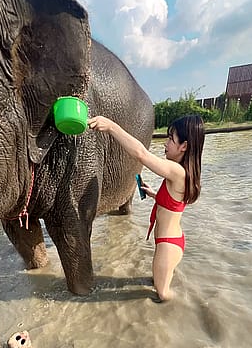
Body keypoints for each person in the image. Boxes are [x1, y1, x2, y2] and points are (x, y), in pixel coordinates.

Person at [88, 114, 205, 301]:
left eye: (170, 139)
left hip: (167, 245)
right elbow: (173, 205)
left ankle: (193, 307)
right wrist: (154, 195)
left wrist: (111, 126)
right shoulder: (183, 172)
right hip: (172, 240)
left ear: (184, 146)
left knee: (164, 295)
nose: (165, 144)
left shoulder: (176, 171)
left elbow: (141, 154)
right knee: (159, 285)